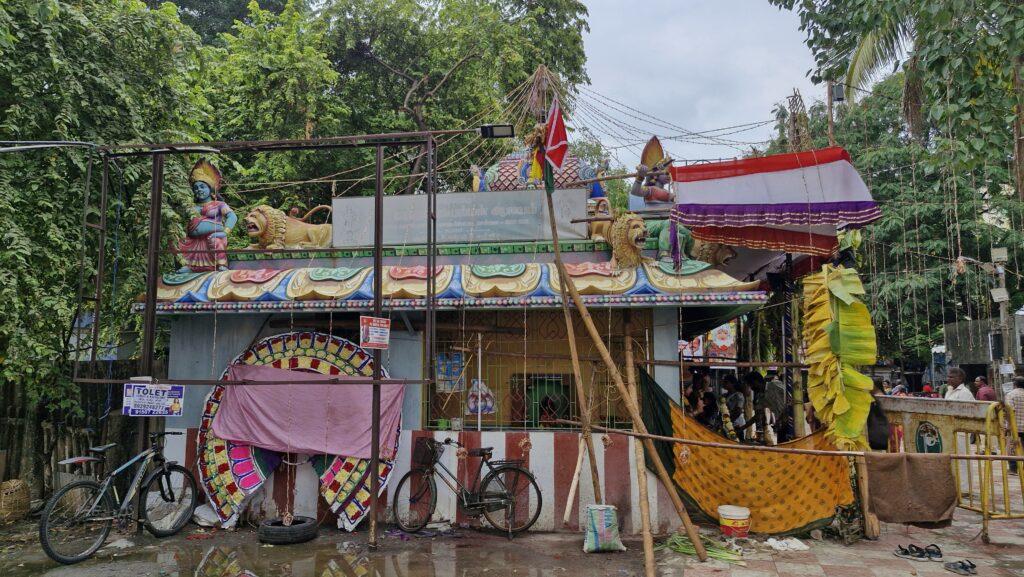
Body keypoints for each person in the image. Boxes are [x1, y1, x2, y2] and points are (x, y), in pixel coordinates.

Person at [1004, 377, 1024, 474]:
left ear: (1014, 384)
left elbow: (1009, 411)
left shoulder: (1011, 394)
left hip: (1015, 426)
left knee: (1012, 446)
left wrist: (1008, 426)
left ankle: (1013, 468)